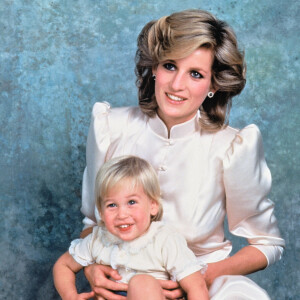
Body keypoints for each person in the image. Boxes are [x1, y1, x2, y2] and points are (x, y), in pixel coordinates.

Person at [80, 9, 285, 300]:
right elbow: (92, 224)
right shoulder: (109, 127)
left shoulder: (233, 147)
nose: (177, 85)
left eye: (196, 74)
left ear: (214, 84)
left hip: (209, 282)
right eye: (170, 66)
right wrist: (92, 269)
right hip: (128, 281)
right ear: (153, 67)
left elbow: (268, 243)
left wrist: (200, 276)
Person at [53, 156, 209, 300]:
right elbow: (63, 265)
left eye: (132, 202)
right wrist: (70, 296)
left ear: (153, 206)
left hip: (153, 294)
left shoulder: (165, 239)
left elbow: (197, 286)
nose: (122, 214)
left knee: (142, 283)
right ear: (100, 211)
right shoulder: (99, 238)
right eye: (111, 205)